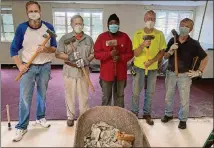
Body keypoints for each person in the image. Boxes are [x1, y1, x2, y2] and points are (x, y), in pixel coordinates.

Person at [10, 1, 57, 142]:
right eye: (30, 11)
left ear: (40, 11)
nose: (33, 13)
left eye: (36, 10)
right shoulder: (21, 28)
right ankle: (22, 126)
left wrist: (46, 49)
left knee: (42, 94)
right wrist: (19, 65)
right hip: (27, 67)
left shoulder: (48, 27)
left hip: (45, 66)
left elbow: (54, 48)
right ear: (27, 13)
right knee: (25, 97)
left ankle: (40, 118)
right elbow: (13, 49)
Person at [161, 18, 208, 129]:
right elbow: (165, 56)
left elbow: (205, 58)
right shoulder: (173, 40)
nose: (183, 28)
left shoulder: (194, 44)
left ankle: (183, 119)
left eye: (186, 26)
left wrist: (199, 71)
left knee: (184, 99)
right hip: (171, 73)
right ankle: (168, 114)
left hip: (185, 76)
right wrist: (170, 51)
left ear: (190, 29)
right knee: (168, 97)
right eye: (182, 25)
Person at [55, 15, 94, 127]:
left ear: (83, 24)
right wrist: (70, 57)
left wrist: (86, 61)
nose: (78, 25)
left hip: (83, 71)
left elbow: (92, 53)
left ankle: (83, 116)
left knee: (84, 95)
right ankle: (70, 117)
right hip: (70, 70)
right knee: (70, 95)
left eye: (80, 23)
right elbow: (58, 54)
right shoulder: (65, 38)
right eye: (76, 23)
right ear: (71, 24)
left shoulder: (88, 39)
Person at [131, 10, 167, 125]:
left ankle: (147, 113)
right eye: (148, 18)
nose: (150, 21)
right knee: (136, 92)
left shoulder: (159, 34)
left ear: (155, 20)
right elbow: (135, 53)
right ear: (144, 19)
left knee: (150, 92)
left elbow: (162, 52)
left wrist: (151, 61)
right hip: (139, 67)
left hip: (152, 68)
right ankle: (134, 113)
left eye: (152, 19)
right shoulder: (137, 34)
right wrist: (143, 45)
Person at [94, 13, 133, 108]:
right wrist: (109, 54)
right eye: (111, 24)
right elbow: (96, 54)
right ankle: (105, 118)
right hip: (106, 74)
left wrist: (120, 57)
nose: (113, 25)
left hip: (120, 74)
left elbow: (130, 53)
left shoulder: (125, 37)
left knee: (119, 97)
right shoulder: (102, 37)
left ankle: (118, 118)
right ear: (107, 25)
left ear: (118, 25)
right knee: (106, 97)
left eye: (115, 24)